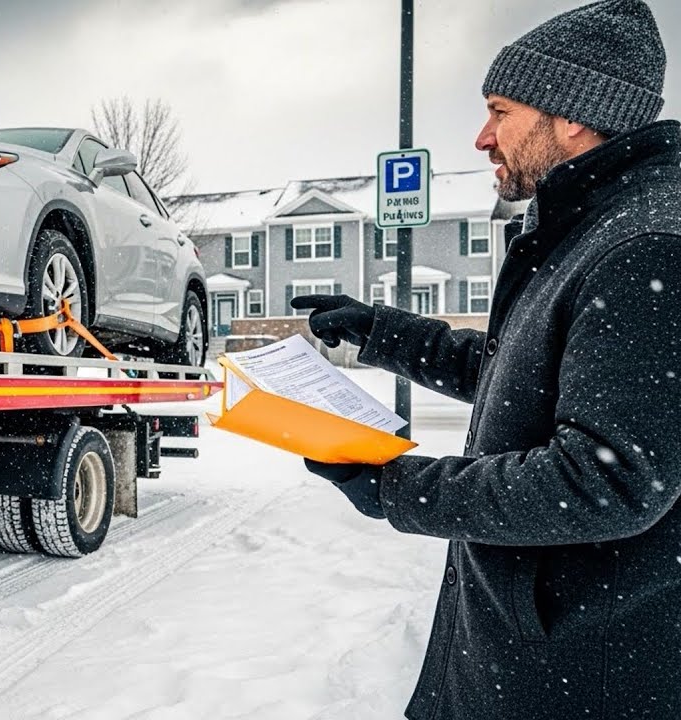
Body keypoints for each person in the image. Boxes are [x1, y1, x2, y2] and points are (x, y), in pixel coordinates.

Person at [291, 1, 681, 718]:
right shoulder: (594, 226)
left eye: (500, 111)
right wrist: (385, 332)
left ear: (572, 114)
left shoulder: (644, 245)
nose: (482, 136)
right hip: (536, 654)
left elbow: (609, 480)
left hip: (580, 672)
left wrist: (396, 486)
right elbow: (523, 375)